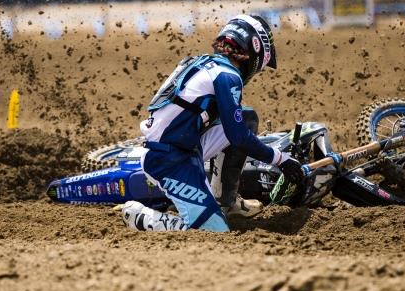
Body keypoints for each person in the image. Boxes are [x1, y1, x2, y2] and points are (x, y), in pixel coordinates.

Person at [121, 14, 306, 232]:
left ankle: (224, 201)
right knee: (215, 232)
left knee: (246, 118)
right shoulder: (228, 75)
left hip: (180, 147)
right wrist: (281, 160)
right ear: (254, 52)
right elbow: (237, 136)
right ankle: (140, 217)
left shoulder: (203, 63)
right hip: (169, 160)